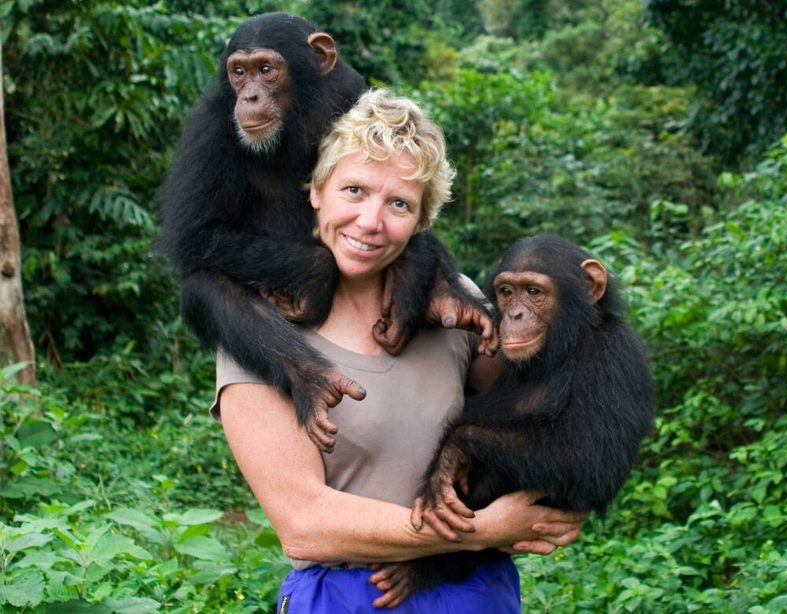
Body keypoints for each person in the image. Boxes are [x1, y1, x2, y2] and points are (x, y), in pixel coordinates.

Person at [213, 88, 584, 613]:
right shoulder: (259, 325)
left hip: (472, 588)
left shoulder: (459, 303)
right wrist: (478, 529)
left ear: (420, 220)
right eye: (355, 190)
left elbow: (538, 420)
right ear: (316, 190)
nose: (370, 221)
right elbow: (304, 525)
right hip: (350, 593)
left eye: (399, 204)